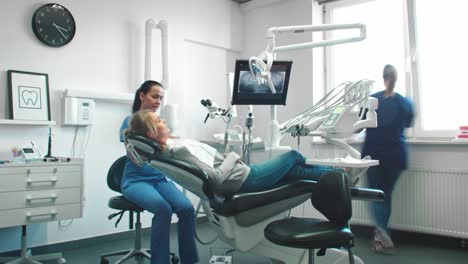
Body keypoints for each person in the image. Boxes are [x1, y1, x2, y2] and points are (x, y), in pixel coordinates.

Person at [125, 110, 344, 198]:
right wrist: (231, 156)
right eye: (159, 121)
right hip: (244, 180)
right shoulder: (178, 151)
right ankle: (339, 174)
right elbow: (215, 178)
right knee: (293, 156)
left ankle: (339, 176)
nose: (164, 121)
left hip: (243, 175)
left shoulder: (171, 148)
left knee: (296, 172)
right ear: (152, 132)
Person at [119, 81, 199, 264]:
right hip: (136, 181)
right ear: (142, 95)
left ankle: (190, 260)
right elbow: (134, 156)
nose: (158, 101)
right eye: (154, 96)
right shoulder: (132, 121)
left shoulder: (158, 123)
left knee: (186, 208)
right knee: (163, 209)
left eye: (160, 98)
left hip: (159, 178)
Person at [361, 65, 414, 253]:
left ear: (383, 78)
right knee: (385, 195)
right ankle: (380, 236)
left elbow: (358, 125)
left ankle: (381, 233)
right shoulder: (405, 103)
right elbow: (407, 124)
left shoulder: (371, 100)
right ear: (395, 78)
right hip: (396, 156)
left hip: (374, 155)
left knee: (375, 196)